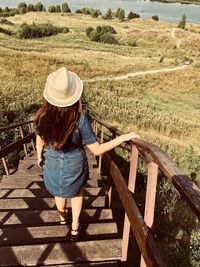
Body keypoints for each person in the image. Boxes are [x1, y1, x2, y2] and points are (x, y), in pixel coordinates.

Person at [35, 67, 139, 242]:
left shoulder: (41, 116)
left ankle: (62, 219)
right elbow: (96, 150)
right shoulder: (80, 118)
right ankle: (75, 228)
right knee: (76, 193)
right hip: (75, 161)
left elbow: (40, 142)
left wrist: (39, 156)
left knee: (59, 193)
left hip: (52, 160)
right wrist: (122, 137)